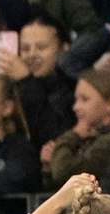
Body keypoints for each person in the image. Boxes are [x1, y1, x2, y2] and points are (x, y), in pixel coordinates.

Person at [4, 13, 77, 147]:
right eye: (25, 49)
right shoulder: (11, 86)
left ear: (64, 48)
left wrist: (26, 81)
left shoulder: (75, 90)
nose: (32, 55)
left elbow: (54, 134)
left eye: (41, 47)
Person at [49, 66, 110, 188]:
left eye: (84, 99)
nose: (76, 107)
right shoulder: (91, 138)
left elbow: (63, 172)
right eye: (76, 100)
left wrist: (71, 136)